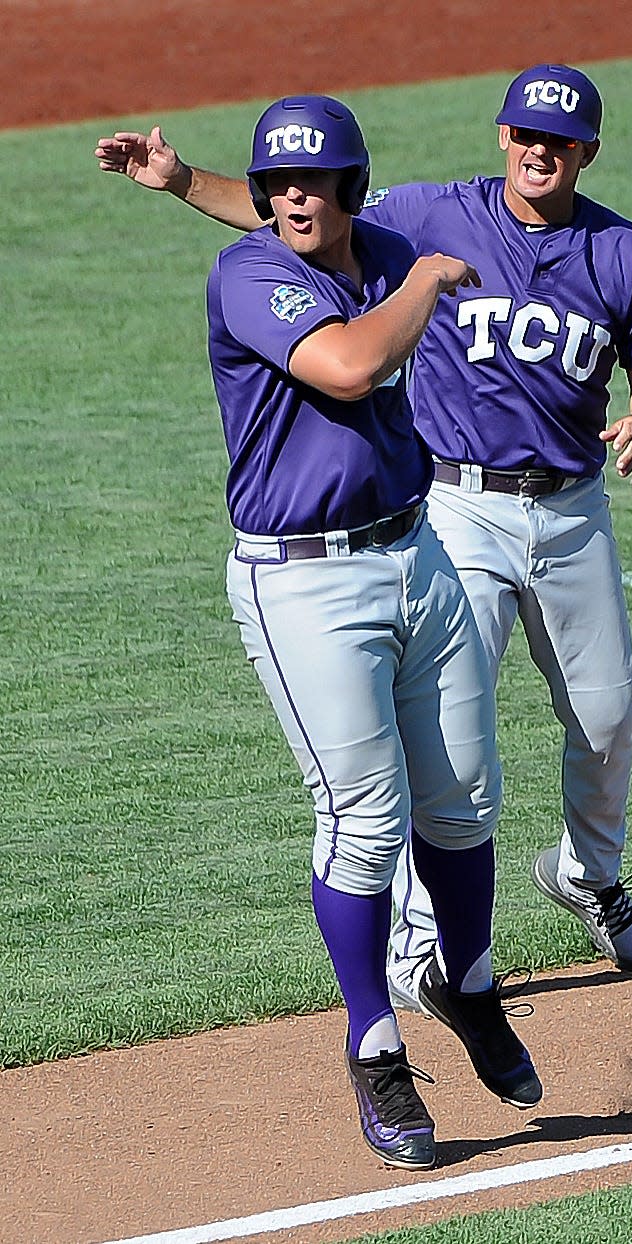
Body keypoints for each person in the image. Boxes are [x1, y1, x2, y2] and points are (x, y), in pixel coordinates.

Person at [95, 63, 632, 1016]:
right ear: (501, 135)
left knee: (607, 717)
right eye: (526, 133)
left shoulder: (620, 250)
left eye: (561, 141)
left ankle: (587, 876)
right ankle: (421, 956)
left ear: (587, 153)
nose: (540, 150)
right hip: (456, 507)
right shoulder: (433, 218)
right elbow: (299, 219)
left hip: (572, 508)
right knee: (445, 756)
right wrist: (181, 181)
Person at [109, 93, 543, 1172]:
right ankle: (376, 1044)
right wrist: (430, 282)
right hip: (305, 587)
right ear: (265, 198)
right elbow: (351, 364)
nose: (296, 197)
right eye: (278, 184)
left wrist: (182, 179)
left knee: (466, 797)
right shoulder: (250, 276)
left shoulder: (376, 243)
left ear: (351, 186)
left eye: (317, 180)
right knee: (365, 819)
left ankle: (466, 977)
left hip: (417, 550)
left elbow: (326, 233)